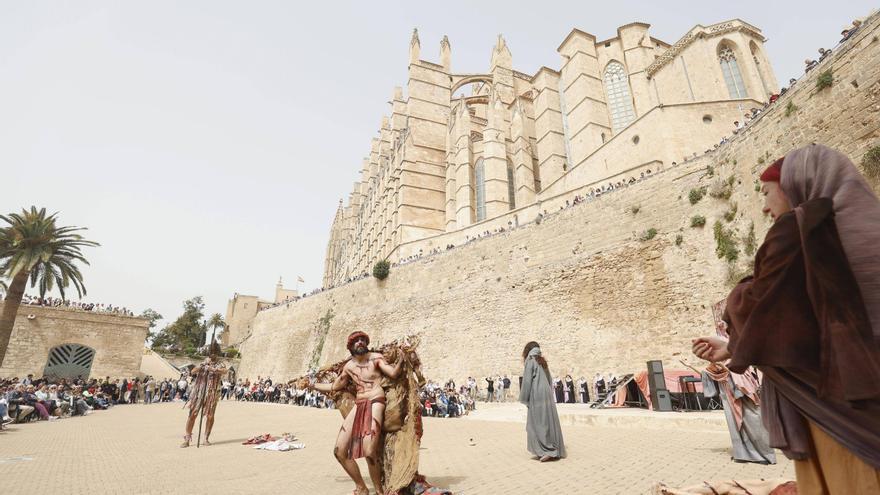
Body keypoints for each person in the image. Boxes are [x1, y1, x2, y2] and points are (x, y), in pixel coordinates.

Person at [692, 144, 880, 493]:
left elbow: (762, 304)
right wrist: (734, 346)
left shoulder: (800, 226)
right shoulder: (864, 226)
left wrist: (738, 301)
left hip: (836, 398)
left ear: (794, 184)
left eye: (766, 193)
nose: (764, 206)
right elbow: (814, 314)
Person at [304, 331, 410, 495]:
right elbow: (335, 386)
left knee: (369, 452)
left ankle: (380, 492)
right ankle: (361, 487)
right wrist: (311, 386)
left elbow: (393, 373)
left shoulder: (375, 358)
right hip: (359, 403)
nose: (360, 342)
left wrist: (403, 357)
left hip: (376, 401)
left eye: (363, 340)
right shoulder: (349, 366)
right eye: (356, 340)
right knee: (339, 451)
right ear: (351, 346)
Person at [519, 342, 565, 462]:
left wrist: (524, 397)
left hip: (537, 393)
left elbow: (527, 381)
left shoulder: (530, 360)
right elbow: (549, 379)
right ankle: (549, 448)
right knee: (548, 420)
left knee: (538, 422)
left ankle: (547, 450)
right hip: (547, 393)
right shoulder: (542, 361)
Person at [181, 342, 226, 447]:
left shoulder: (220, 363)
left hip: (212, 392)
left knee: (210, 416)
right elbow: (193, 371)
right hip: (200, 390)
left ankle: (206, 438)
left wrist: (214, 369)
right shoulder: (204, 362)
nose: (213, 355)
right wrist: (202, 366)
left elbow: (224, 371)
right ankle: (187, 438)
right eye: (211, 353)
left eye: (215, 353)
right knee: (193, 414)